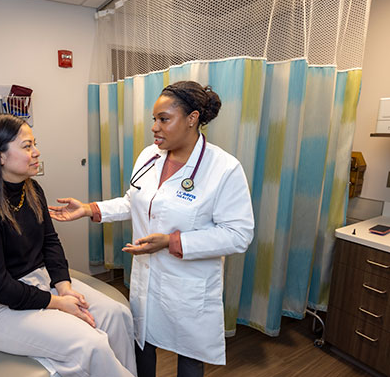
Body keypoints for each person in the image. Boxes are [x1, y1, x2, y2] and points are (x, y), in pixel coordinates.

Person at [49, 81, 254, 377]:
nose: (154, 128)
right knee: (142, 345)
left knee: (190, 356)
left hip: (189, 284)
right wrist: (89, 209)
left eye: (164, 119)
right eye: (153, 120)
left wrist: (171, 241)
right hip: (147, 276)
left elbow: (238, 235)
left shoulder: (224, 168)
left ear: (192, 118)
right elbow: (133, 201)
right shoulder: (149, 156)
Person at [0, 114, 137, 377]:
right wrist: (57, 303)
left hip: (40, 282)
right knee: (91, 344)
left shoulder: (31, 189)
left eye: (35, 144)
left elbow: (50, 241)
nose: (36, 152)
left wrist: (64, 288)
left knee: (117, 314)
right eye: (26, 146)